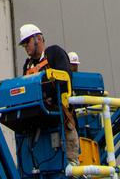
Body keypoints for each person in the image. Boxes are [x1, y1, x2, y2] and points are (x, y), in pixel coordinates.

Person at [18, 23, 80, 163]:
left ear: (38, 39)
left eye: (27, 42)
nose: (26, 47)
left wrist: (47, 96)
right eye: (24, 45)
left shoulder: (55, 54)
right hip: (38, 121)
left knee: (70, 164)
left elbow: (64, 80)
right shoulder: (28, 65)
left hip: (61, 117)